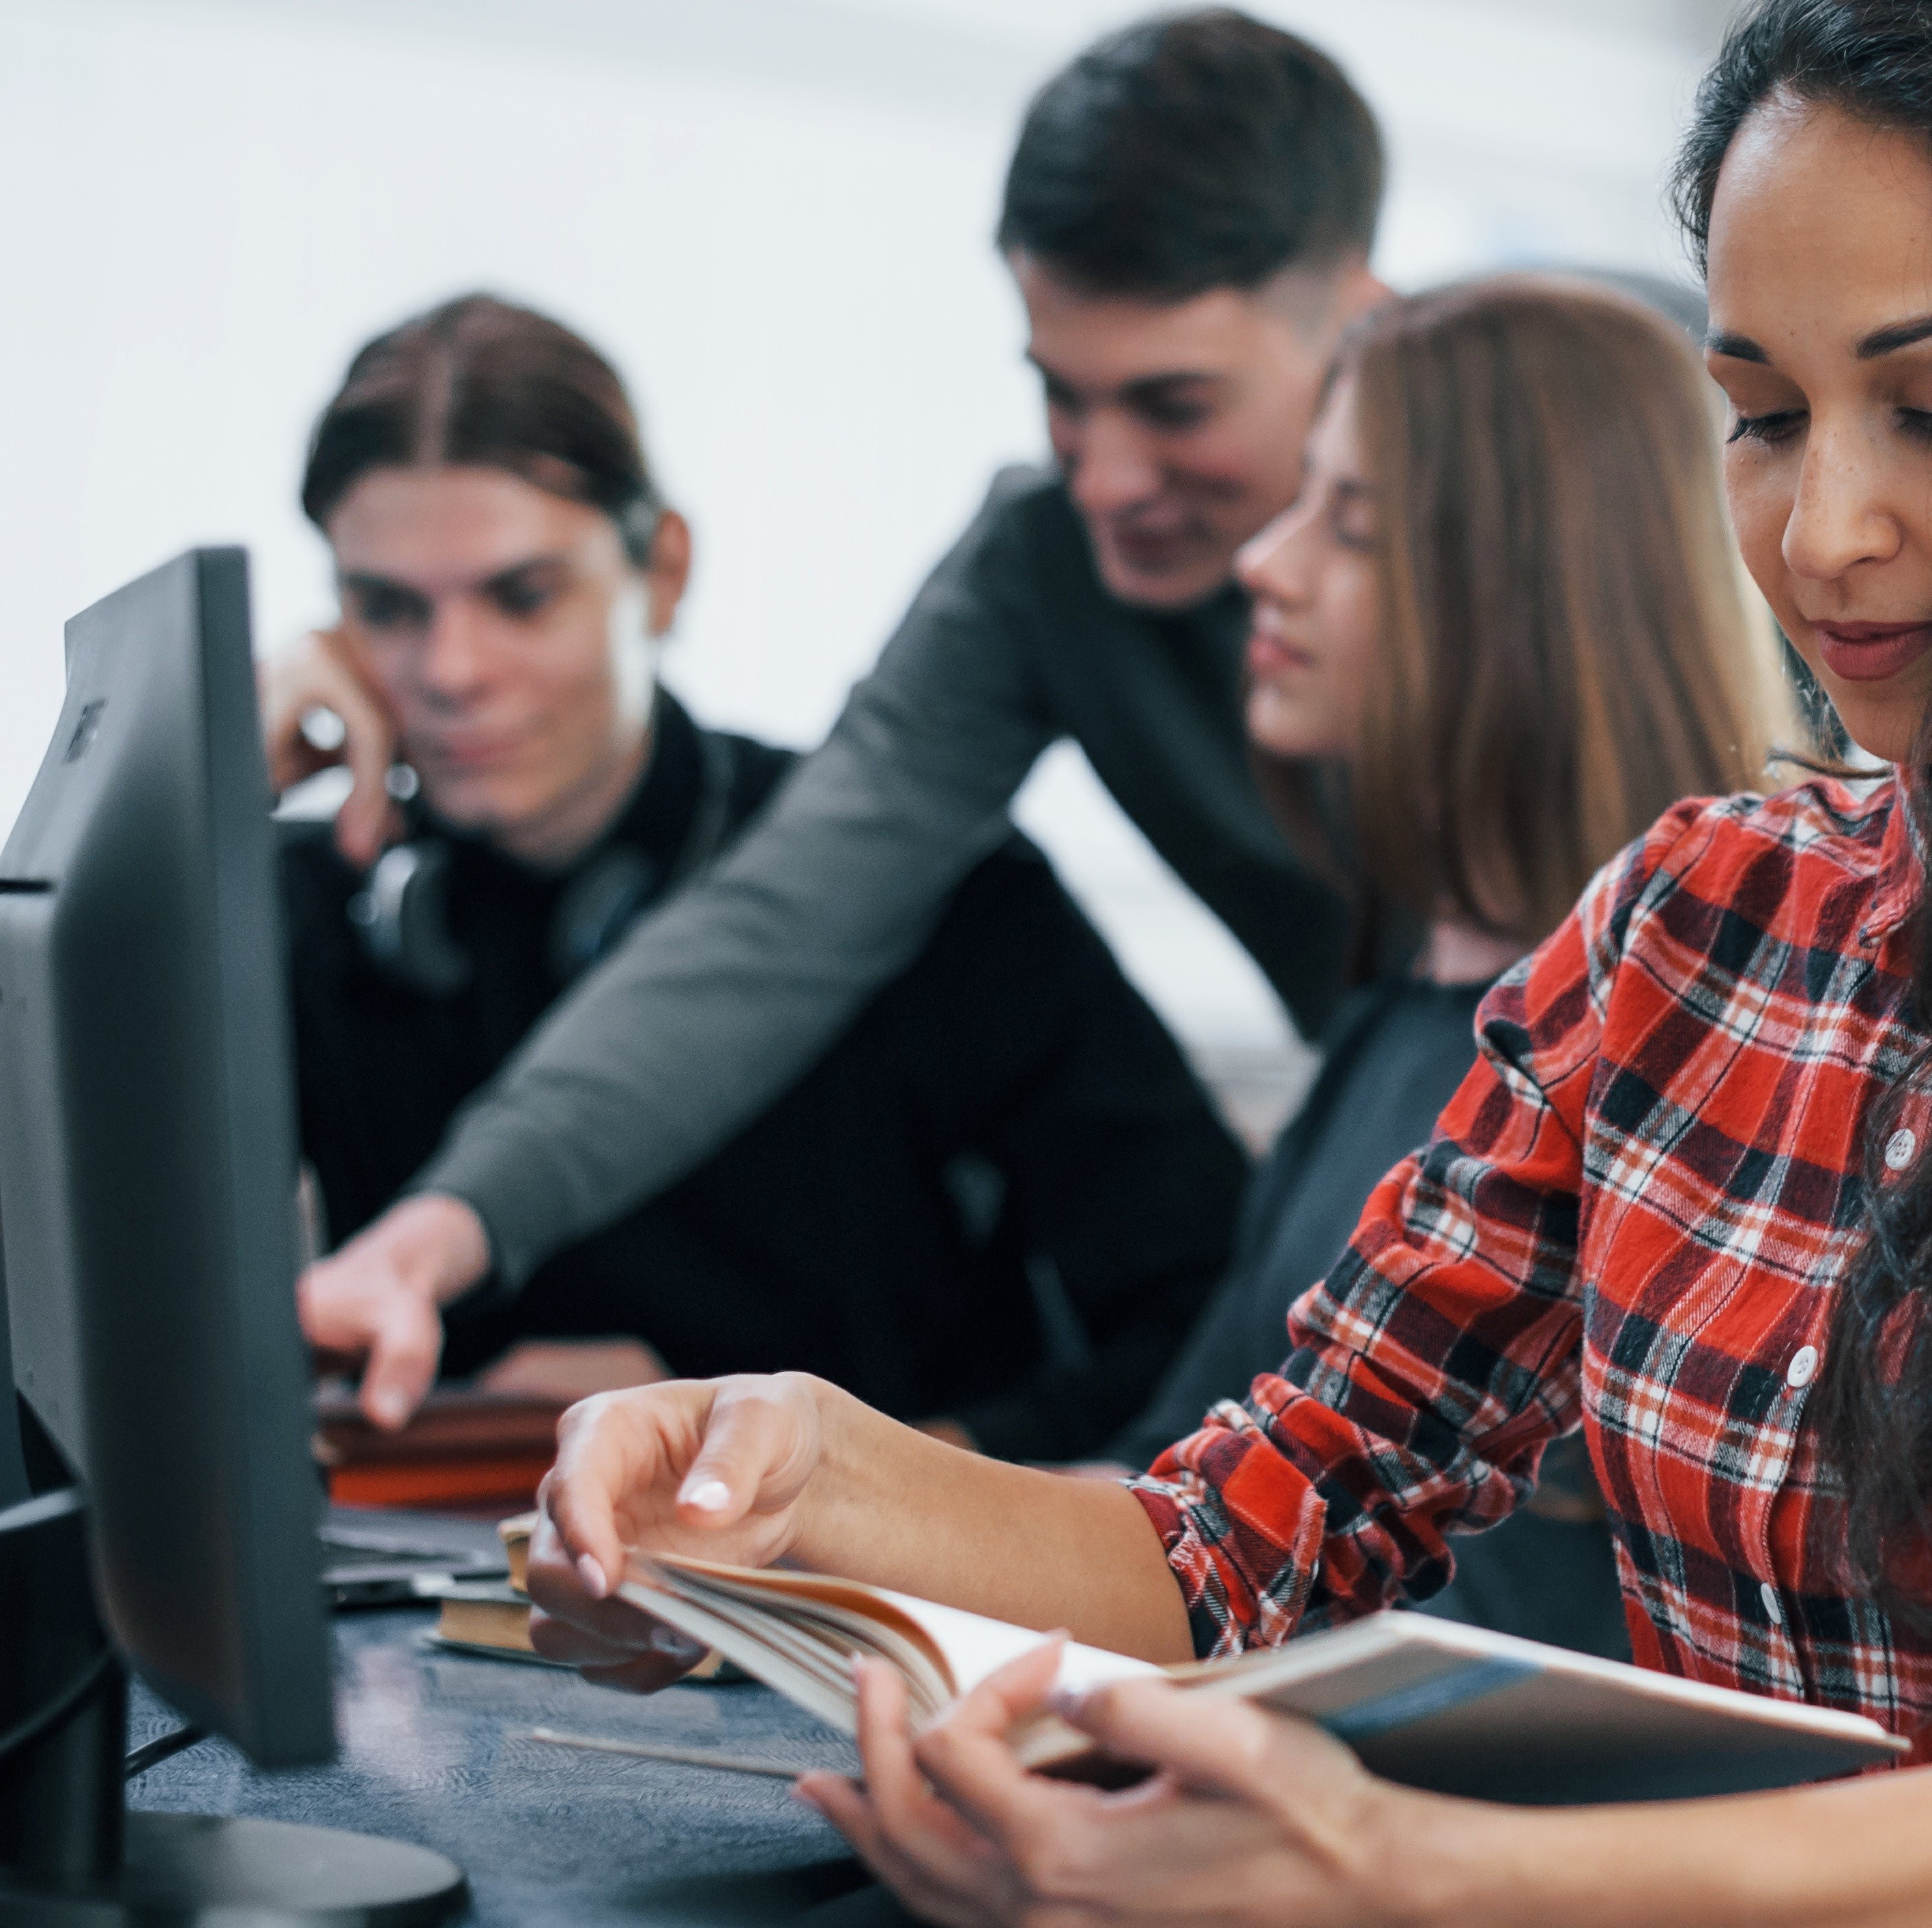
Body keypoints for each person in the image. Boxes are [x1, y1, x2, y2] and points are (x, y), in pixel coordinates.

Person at [521, 0, 1932, 1928]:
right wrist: (800, 1479)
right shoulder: (1692, 922)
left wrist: (1420, 1891)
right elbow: (1265, 1523)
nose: (1818, 532)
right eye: (1757, 415)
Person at [266, 11, 1396, 1423]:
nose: (1104, 480)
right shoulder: (1037, 566)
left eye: (1173, 405)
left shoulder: (1569, 502)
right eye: (1059, 394)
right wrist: (437, 1236)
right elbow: (787, 920)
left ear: (1363, 320)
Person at [280, 293, 1249, 1461]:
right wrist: (221, 775)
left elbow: (1215, 1322)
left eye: (523, 595)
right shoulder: (307, 903)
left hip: (883, 1609)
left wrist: (829, 1485)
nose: (451, 671)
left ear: (664, 572)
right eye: (385, 609)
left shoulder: (920, 879)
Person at [1099, 274, 1782, 1658]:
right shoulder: (1402, 1008)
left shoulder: (1666, 1067)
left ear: (1521, 589)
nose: (1263, 566)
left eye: (1349, 526)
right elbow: (1182, 1493)